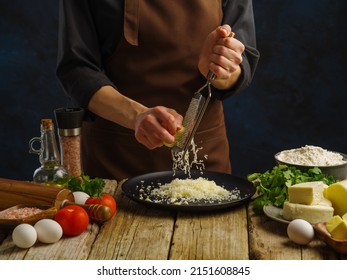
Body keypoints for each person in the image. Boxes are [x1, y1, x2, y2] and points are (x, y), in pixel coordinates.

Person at [56, 0, 260, 181]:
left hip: (203, 157)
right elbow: (76, 68)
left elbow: (243, 62)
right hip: (116, 162)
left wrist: (219, 69)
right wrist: (136, 116)